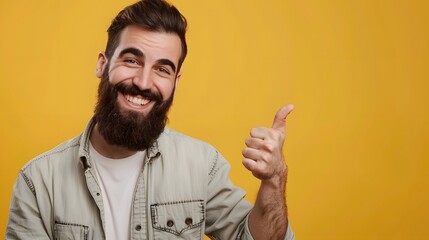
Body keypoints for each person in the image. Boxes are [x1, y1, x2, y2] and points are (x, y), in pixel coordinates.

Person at [5, 0, 295, 239]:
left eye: (162, 69)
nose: (144, 83)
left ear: (176, 82)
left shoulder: (202, 166)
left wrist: (274, 179)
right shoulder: (38, 182)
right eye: (131, 60)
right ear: (102, 64)